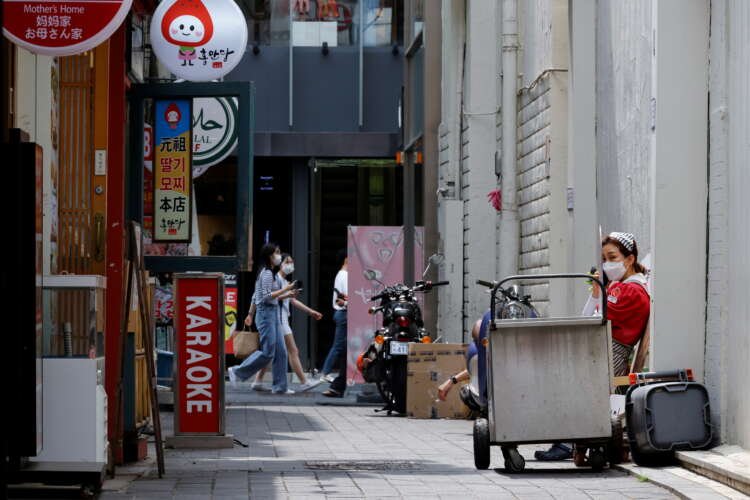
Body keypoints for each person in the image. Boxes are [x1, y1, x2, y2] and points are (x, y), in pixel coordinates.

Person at [534, 231, 651, 461]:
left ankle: (567, 441)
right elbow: (593, 315)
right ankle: (567, 439)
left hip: (609, 355)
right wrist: (600, 292)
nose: (607, 264)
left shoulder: (629, 290)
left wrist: (599, 293)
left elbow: (593, 318)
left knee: (565, 376)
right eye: (604, 259)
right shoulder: (626, 287)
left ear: (629, 259)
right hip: (607, 352)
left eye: (613, 257)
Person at [228, 243, 298, 394]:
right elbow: (265, 297)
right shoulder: (266, 273)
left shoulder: (270, 273)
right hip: (266, 314)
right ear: (270, 256)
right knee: (268, 352)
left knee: (281, 351)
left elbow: (260, 295)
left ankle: (280, 387)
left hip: (272, 313)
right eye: (277, 253)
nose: (279, 256)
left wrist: (287, 295)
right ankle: (237, 371)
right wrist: (285, 289)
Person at [250, 253, 324, 392]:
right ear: (280, 264)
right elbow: (264, 297)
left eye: (291, 262)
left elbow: (292, 301)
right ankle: (303, 381)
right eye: (287, 262)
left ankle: (258, 380)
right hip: (277, 319)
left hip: (282, 319)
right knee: (292, 351)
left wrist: (310, 311)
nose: (290, 265)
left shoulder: (285, 282)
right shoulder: (273, 278)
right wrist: (250, 314)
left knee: (270, 352)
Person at [321, 249, 348, 398]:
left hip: (341, 313)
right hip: (344, 313)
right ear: (347, 259)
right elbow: (342, 298)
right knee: (338, 346)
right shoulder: (344, 275)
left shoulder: (341, 274)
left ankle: (334, 381)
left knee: (341, 347)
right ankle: (326, 372)